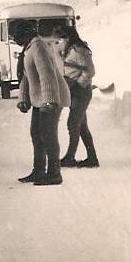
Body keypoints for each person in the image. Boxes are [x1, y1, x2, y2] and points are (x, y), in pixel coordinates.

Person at [13, 23, 69, 186]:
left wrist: (50, 100)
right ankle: (39, 171)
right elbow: (26, 76)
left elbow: (47, 74)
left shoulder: (38, 47)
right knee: (36, 134)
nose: (15, 40)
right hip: (41, 97)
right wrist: (23, 98)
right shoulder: (30, 47)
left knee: (47, 134)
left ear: (26, 34)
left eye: (17, 36)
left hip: (52, 96)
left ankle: (54, 173)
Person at [53, 24, 99, 168]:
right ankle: (92, 158)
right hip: (74, 91)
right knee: (81, 125)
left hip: (81, 91)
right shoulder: (69, 50)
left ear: (67, 37)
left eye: (60, 39)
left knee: (73, 124)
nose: (59, 42)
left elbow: (90, 71)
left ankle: (70, 157)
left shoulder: (78, 50)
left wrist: (79, 84)